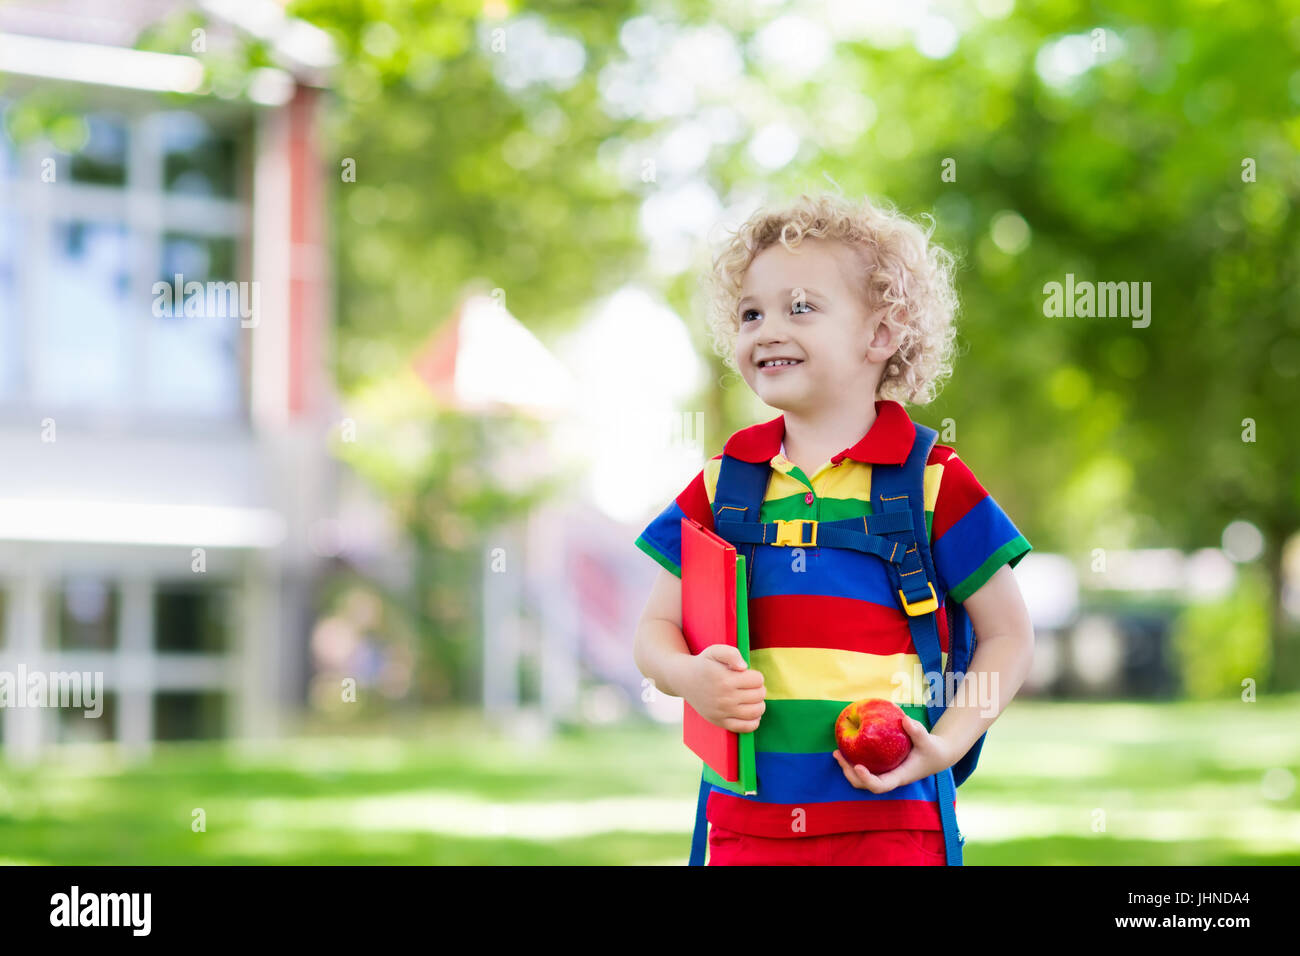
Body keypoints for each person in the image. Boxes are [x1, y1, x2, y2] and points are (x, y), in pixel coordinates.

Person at [632, 192, 1036, 865]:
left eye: (800, 307)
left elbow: (1009, 634)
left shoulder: (932, 480)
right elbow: (653, 632)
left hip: (893, 826)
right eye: (750, 313)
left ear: (881, 334)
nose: (767, 329)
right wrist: (687, 676)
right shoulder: (722, 484)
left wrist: (949, 742)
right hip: (746, 827)